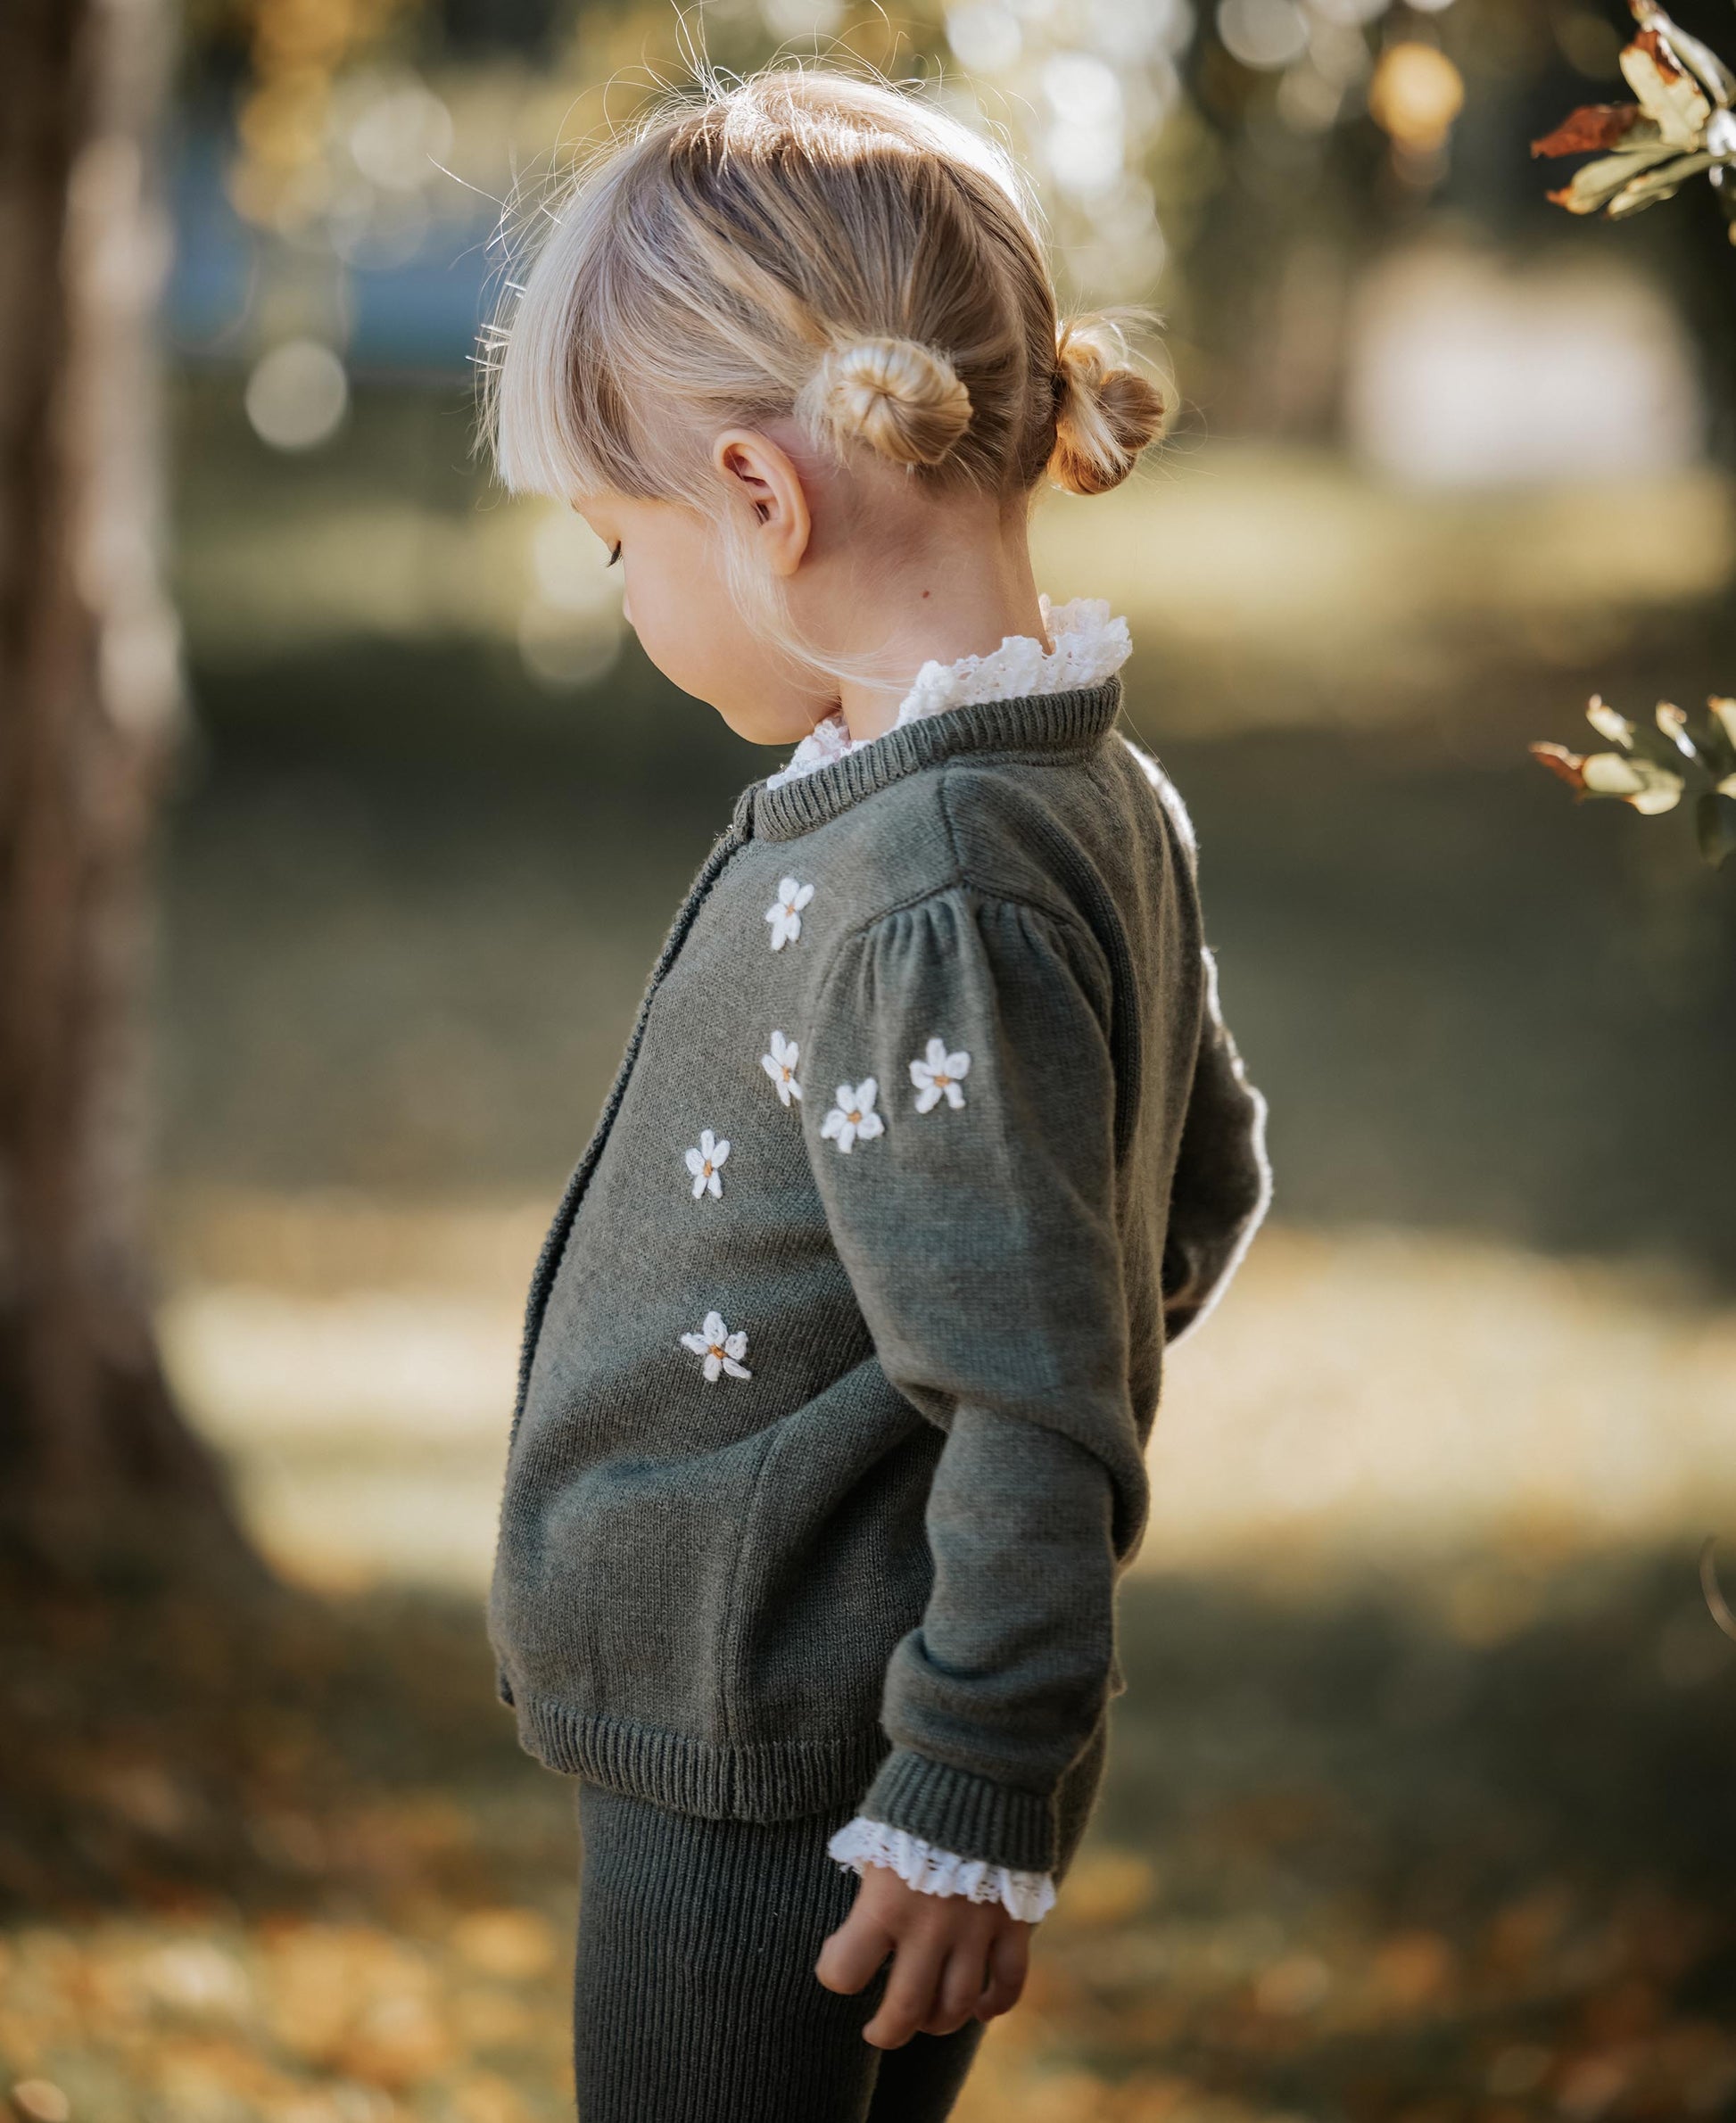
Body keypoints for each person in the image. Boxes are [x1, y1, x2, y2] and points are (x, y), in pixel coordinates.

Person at [481, 64, 1271, 2123]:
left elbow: (1034, 1380)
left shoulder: (926, 875)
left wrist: (965, 1765)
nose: (621, 592)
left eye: (612, 539)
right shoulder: (1086, 791)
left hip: (781, 1765)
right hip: (839, 1730)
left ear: (761, 494)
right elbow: (1185, 1200)